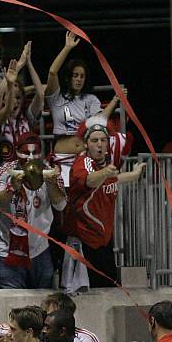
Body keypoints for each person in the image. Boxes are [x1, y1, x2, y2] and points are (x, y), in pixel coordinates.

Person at [63, 123, 145, 287]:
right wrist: (106, 171)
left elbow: (113, 179)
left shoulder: (104, 165)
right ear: (86, 144)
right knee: (90, 295)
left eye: (103, 140)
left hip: (104, 240)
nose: (99, 144)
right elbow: (90, 180)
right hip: (84, 241)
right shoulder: (83, 163)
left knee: (109, 289)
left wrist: (134, 175)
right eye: (94, 140)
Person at [45, 31, 124, 187]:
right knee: (61, 204)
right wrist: (67, 48)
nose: (79, 79)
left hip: (84, 158)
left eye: (82, 76)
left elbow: (99, 121)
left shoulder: (91, 99)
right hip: (62, 158)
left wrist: (116, 99)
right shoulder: (56, 98)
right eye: (75, 75)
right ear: (68, 77)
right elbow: (52, 72)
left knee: (81, 202)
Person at [0, 132, 66, 289]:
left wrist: (52, 185)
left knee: (42, 307)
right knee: (13, 307)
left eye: (35, 152)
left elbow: (61, 205)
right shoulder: (2, 173)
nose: (31, 158)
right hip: (7, 251)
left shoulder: (51, 172)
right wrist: (11, 188)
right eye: (26, 153)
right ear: (16, 152)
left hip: (39, 252)